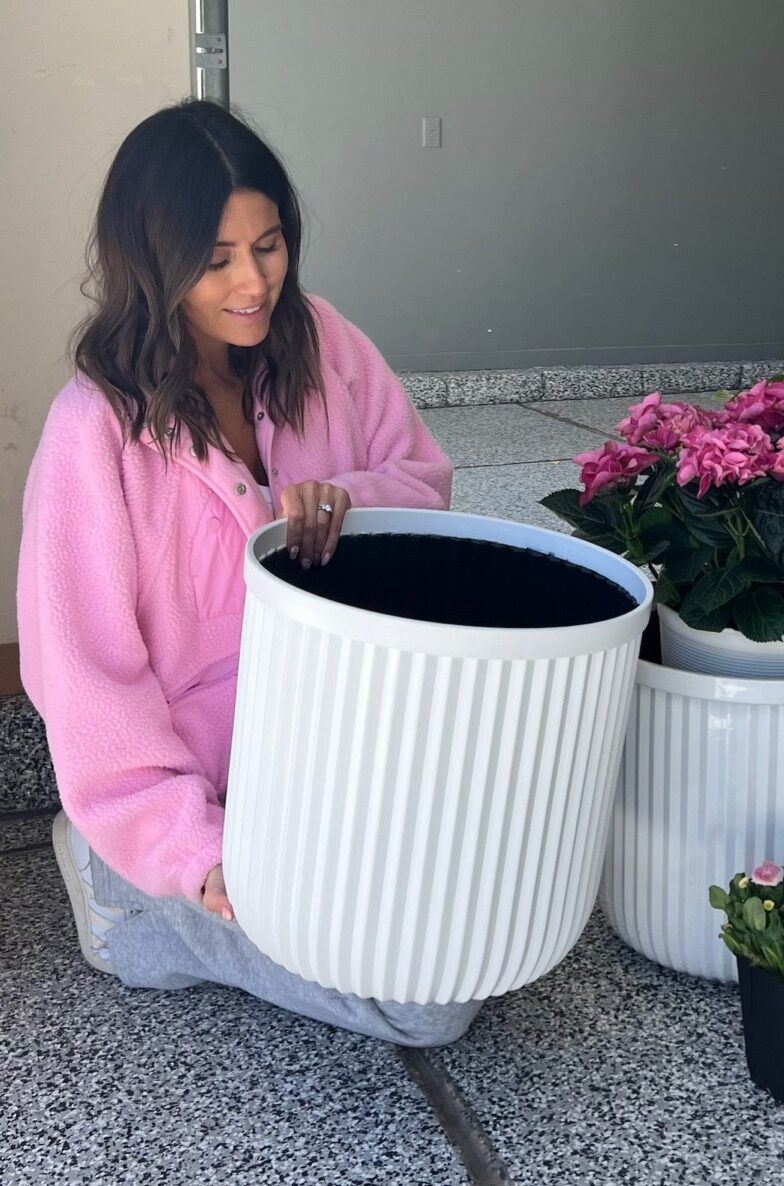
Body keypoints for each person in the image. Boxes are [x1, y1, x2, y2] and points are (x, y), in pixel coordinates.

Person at [18, 100, 481, 1045]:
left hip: (343, 762)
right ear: (153, 262)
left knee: (483, 916)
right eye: (216, 259)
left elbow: (422, 481)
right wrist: (191, 846)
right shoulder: (93, 432)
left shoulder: (325, 342)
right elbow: (85, 678)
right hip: (203, 807)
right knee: (427, 1004)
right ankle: (128, 901)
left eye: (268, 247)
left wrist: (348, 500)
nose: (252, 282)